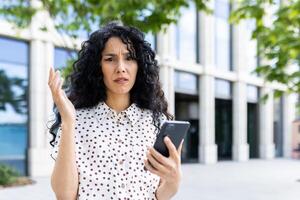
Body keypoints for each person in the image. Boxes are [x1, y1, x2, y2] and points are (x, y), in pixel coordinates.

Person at [48, 22, 184, 200]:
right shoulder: (75, 121)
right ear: (98, 68)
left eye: (129, 58)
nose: (121, 67)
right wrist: (68, 121)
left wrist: (174, 181)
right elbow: (64, 196)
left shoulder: (156, 123)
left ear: (139, 65)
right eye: (110, 59)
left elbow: (158, 196)